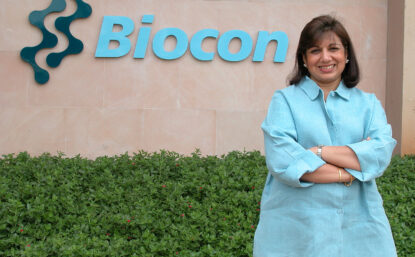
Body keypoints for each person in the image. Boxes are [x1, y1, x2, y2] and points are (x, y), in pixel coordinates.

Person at [253, 15, 397, 257]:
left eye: (333, 48)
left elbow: (379, 156)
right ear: (304, 58)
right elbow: (284, 162)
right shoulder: (284, 101)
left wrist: (317, 152)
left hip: (360, 229)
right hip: (295, 228)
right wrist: (352, 169)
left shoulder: (368, 105)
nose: (325, 57)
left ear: (346, 54)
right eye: (315, 50)